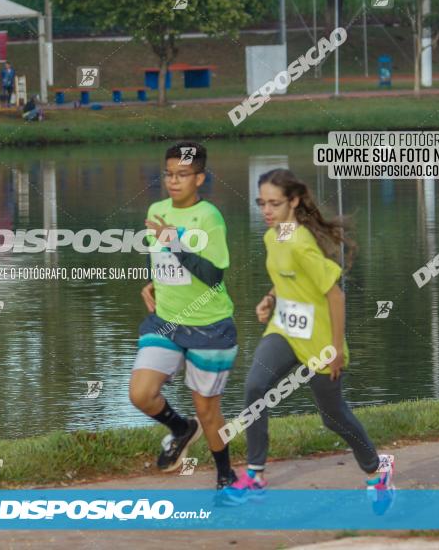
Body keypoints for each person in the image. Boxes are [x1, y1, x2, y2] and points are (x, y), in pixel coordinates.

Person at [219, 168, 393, 506]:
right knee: (255, 387)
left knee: (332, 417)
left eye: (274, 203)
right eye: (261, 203)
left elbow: (336, 295)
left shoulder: (301, 242)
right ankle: (255, 474)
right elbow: (287, 277)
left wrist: (335, 349)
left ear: (294, 201)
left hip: (319, 340)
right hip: (284, 330)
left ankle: (376, 470)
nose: (266, 211)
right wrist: (270, 298)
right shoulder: (274, 236)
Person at [129, 142, 241, 494]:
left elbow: (213, 276)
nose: (173, 181)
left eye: (182, 175)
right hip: (165, 321)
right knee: (141, 393)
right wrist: (151, 282)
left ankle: (225, 475)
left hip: (210, 326)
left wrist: (175, 243)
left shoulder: (209, 217)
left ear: (200, 178)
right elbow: (157, 256)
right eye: (169, 174)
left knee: (208, 411)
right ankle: (180, 429)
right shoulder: (157, 209)